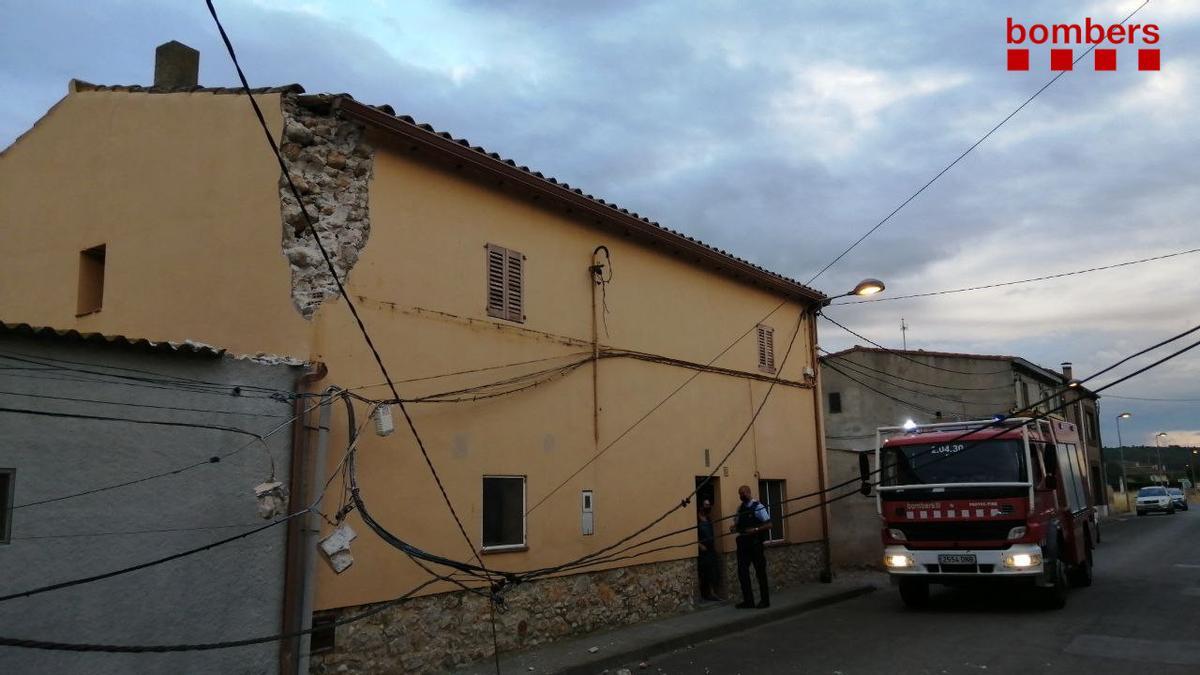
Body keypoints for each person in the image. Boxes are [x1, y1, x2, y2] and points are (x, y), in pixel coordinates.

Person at [729, 484, 771, 609]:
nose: (741, 496)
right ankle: (748, 601)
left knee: (760, 572)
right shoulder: (740, 509)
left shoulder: (758, 506)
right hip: (743, 544)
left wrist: (756, 529)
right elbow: (737, 525)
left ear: (748, 492)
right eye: (740, 494)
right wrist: (734, 528)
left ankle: (765, 600)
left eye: (743, 493)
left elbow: (769, 524)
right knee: (742, 572)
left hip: (755, 544)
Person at [696, 499, 720, 601]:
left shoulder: (708, 519)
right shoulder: (696, 520)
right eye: (706, 505)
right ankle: (704, 594)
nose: (708, 507)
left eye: (709, 505)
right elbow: (693, 535)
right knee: (704, 572)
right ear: (701, 506)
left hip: (710, 549)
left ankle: (712, 593)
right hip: (702, 551)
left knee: (713, 571)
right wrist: (699, 545)